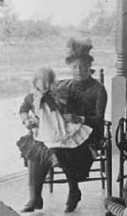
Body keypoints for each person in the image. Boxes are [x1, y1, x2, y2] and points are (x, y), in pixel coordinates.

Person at [17, 67, 93, 213]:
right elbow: (23, 109)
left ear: (53, 82)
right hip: (44, 130)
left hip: (62, 128)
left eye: (48, 81)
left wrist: (62, 101)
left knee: (63, 151)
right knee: (36, 150)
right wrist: (27, 120)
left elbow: (73, 109)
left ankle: (73, 191)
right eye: (42, 81)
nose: (45, 84)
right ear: (35, 82)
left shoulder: (59, 94)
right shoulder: (31, 97)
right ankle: (35, 197)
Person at [55, 37, 108, 212]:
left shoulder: (98, 89)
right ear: (70, 68)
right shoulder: (62, 85)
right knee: (53, 144)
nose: (79, 70)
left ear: (89, 68)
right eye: (76, 67)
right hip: (67, 131)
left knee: (70, 148)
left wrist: (80, 119)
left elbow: (99, 118)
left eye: (84, 67)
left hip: (91, 131)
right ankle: (73, 188)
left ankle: (73, 189)